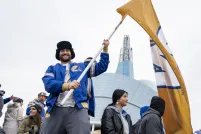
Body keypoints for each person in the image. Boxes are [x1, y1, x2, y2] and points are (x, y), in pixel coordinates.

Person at [40, 40, 110, 134]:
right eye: (62, 50)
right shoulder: (52, 68)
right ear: (58, 54)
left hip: (77, 109)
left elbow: (102, 67)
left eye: (67, 50)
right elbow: (48, 84)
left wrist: (105, 49)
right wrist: (67, 86)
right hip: (55, 108)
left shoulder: (82, 67)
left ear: (71, 53)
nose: (65, 52)